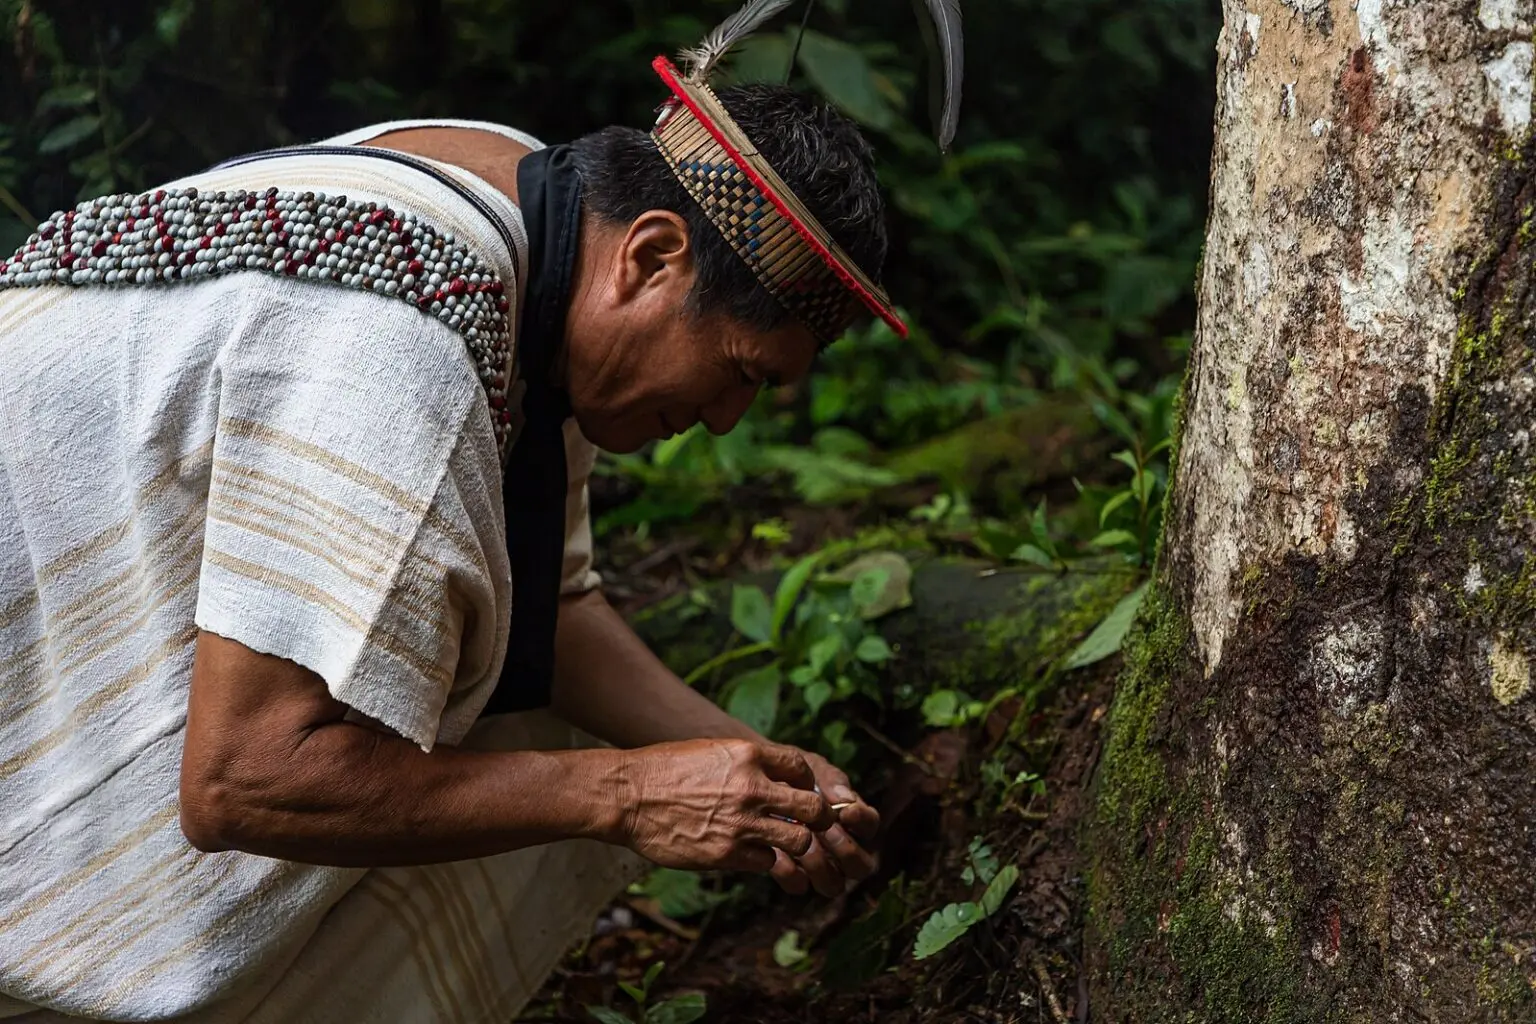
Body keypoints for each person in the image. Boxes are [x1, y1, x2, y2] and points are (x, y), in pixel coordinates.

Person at [0, 27, 911, 1024]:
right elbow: (243, 779)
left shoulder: (519, 206)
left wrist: (755, 771)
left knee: (490, 668)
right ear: (651, 256)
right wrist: (629, 794)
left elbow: (545, 607)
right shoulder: (405, 355)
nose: (728, 419)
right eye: (739, 371)